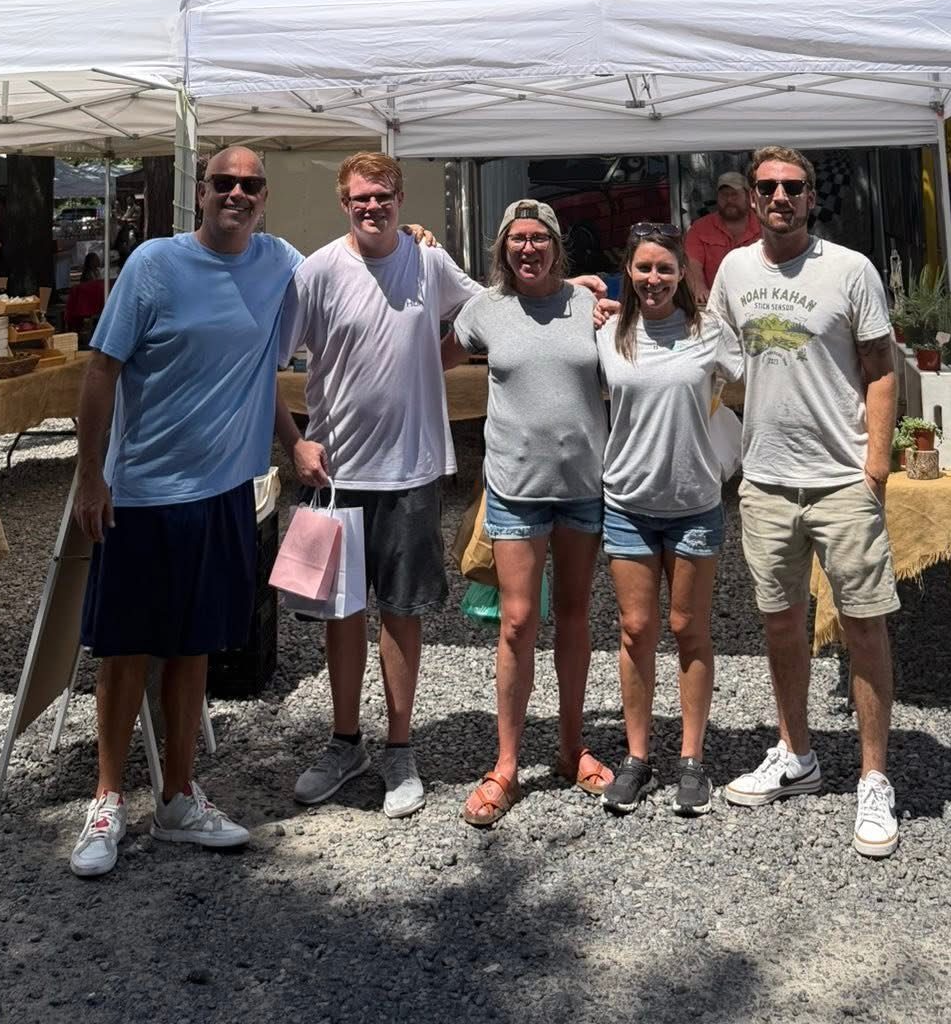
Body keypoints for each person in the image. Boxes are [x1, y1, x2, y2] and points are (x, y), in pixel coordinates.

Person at [68, 144, 302, 879]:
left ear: (264, 197)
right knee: (125, 651)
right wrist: (90, 478)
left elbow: (353, 270)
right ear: (200, 192)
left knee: (193, 646)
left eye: (250, 185)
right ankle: (107, 798)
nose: (237, 194)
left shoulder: (280, 262)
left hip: (224, 492)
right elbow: (101, 370)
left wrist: (414, 241)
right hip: (142, 490)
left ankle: (176, 797)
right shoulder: (154, 264)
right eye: (223, 182)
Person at [708, 146, 901, 858]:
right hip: (765, 480)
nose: (780, 197)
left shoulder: (849, 269)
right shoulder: (734, 271)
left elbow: (882, 368)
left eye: (793, 186)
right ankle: (796, 752)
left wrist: (875, 467)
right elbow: (713, 353)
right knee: (781, 623)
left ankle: (874, 776)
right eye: (768, 187)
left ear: (811, 197)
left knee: (864, 625)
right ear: (753, 198)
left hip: (841, 478)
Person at [277, 151, 480, 822]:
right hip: (334, 473)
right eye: (361, 197)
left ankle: (399, 747)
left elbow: (483, 314)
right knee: (339, 613)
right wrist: (294, 442)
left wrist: (434, 357)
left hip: (411, 469)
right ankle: (345, 743)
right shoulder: (316, 272)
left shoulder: (429, 262)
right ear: (344, 203)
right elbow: (264, 364)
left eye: (383, 196)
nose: (373, 207)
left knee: (401, 609)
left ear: (400, 199)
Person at [444, 200, 612, 826]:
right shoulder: (484, 309)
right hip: (515, 487)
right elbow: (429, 358)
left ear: (556, 246)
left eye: (539, 238)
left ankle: (571, 748)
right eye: (517, 239)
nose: (528, 248)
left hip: (582, 485)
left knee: (573, 615)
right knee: (517, 621)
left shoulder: (587, 304)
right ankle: (507, 764)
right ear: (503, 248)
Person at [597, 222, 737, 819]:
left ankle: (691, 758)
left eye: (664, 268)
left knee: (688, 628)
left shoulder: (710, 333)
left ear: (682, 274)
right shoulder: (608, 334)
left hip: (693, 504)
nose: (653, 279)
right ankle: (636, 756)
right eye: (643, 267)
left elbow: (762, 374)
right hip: (627, 503)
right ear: (628, 272)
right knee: (635, 630)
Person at [683, 170, 760, 294]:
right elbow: (692, 263)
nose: (729, 200)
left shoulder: (765, 228)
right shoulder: (700, 228)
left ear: (748, 197)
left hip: (757, 297)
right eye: (724, 195)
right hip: (713, 299)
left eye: (734, 194)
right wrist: (699, 287)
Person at [65, 252, 106, 343]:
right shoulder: (87, 274)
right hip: (88, 300)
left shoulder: (97, 272)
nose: (98, 261)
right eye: (95, 259)